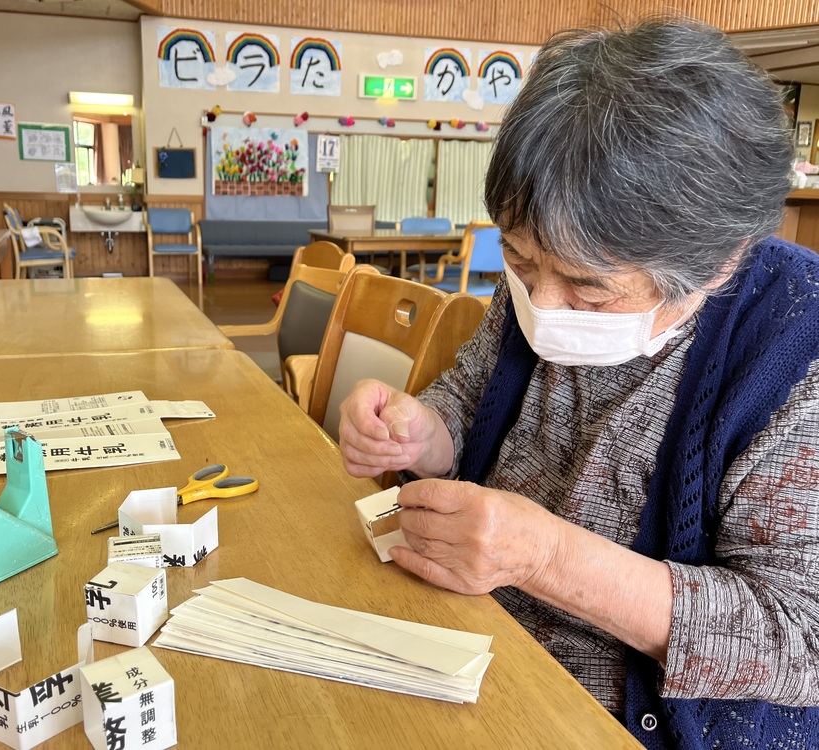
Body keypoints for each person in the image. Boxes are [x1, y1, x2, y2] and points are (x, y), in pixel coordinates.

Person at [337, 17, 819, 750]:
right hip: (464, 632)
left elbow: (801, 642)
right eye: (521, 262)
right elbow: (469, 394)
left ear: (718, 262)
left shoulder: (794, 349)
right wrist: (425, 432)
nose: (545, 304)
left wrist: (548, 558)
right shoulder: (547, 267)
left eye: (591, 293)